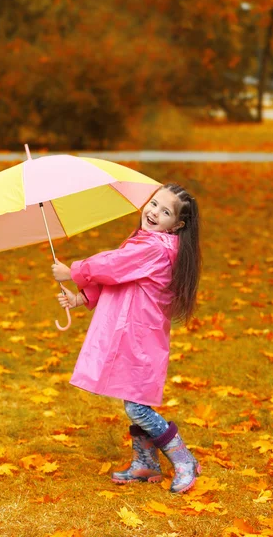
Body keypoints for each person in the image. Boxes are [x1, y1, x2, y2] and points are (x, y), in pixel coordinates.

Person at [51, 183, 202, 493]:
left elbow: (112, 265)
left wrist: (74, 271)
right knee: (135, 397)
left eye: (165, 211)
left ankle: (184, 459)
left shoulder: (157, 247)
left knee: (137, 406)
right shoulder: (144, 242)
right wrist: (81, 298)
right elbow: (119, 277)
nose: (154, 212)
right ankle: (145, 463)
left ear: (178, 225)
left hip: (139, 336)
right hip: (132, 332)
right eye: (154, 203)